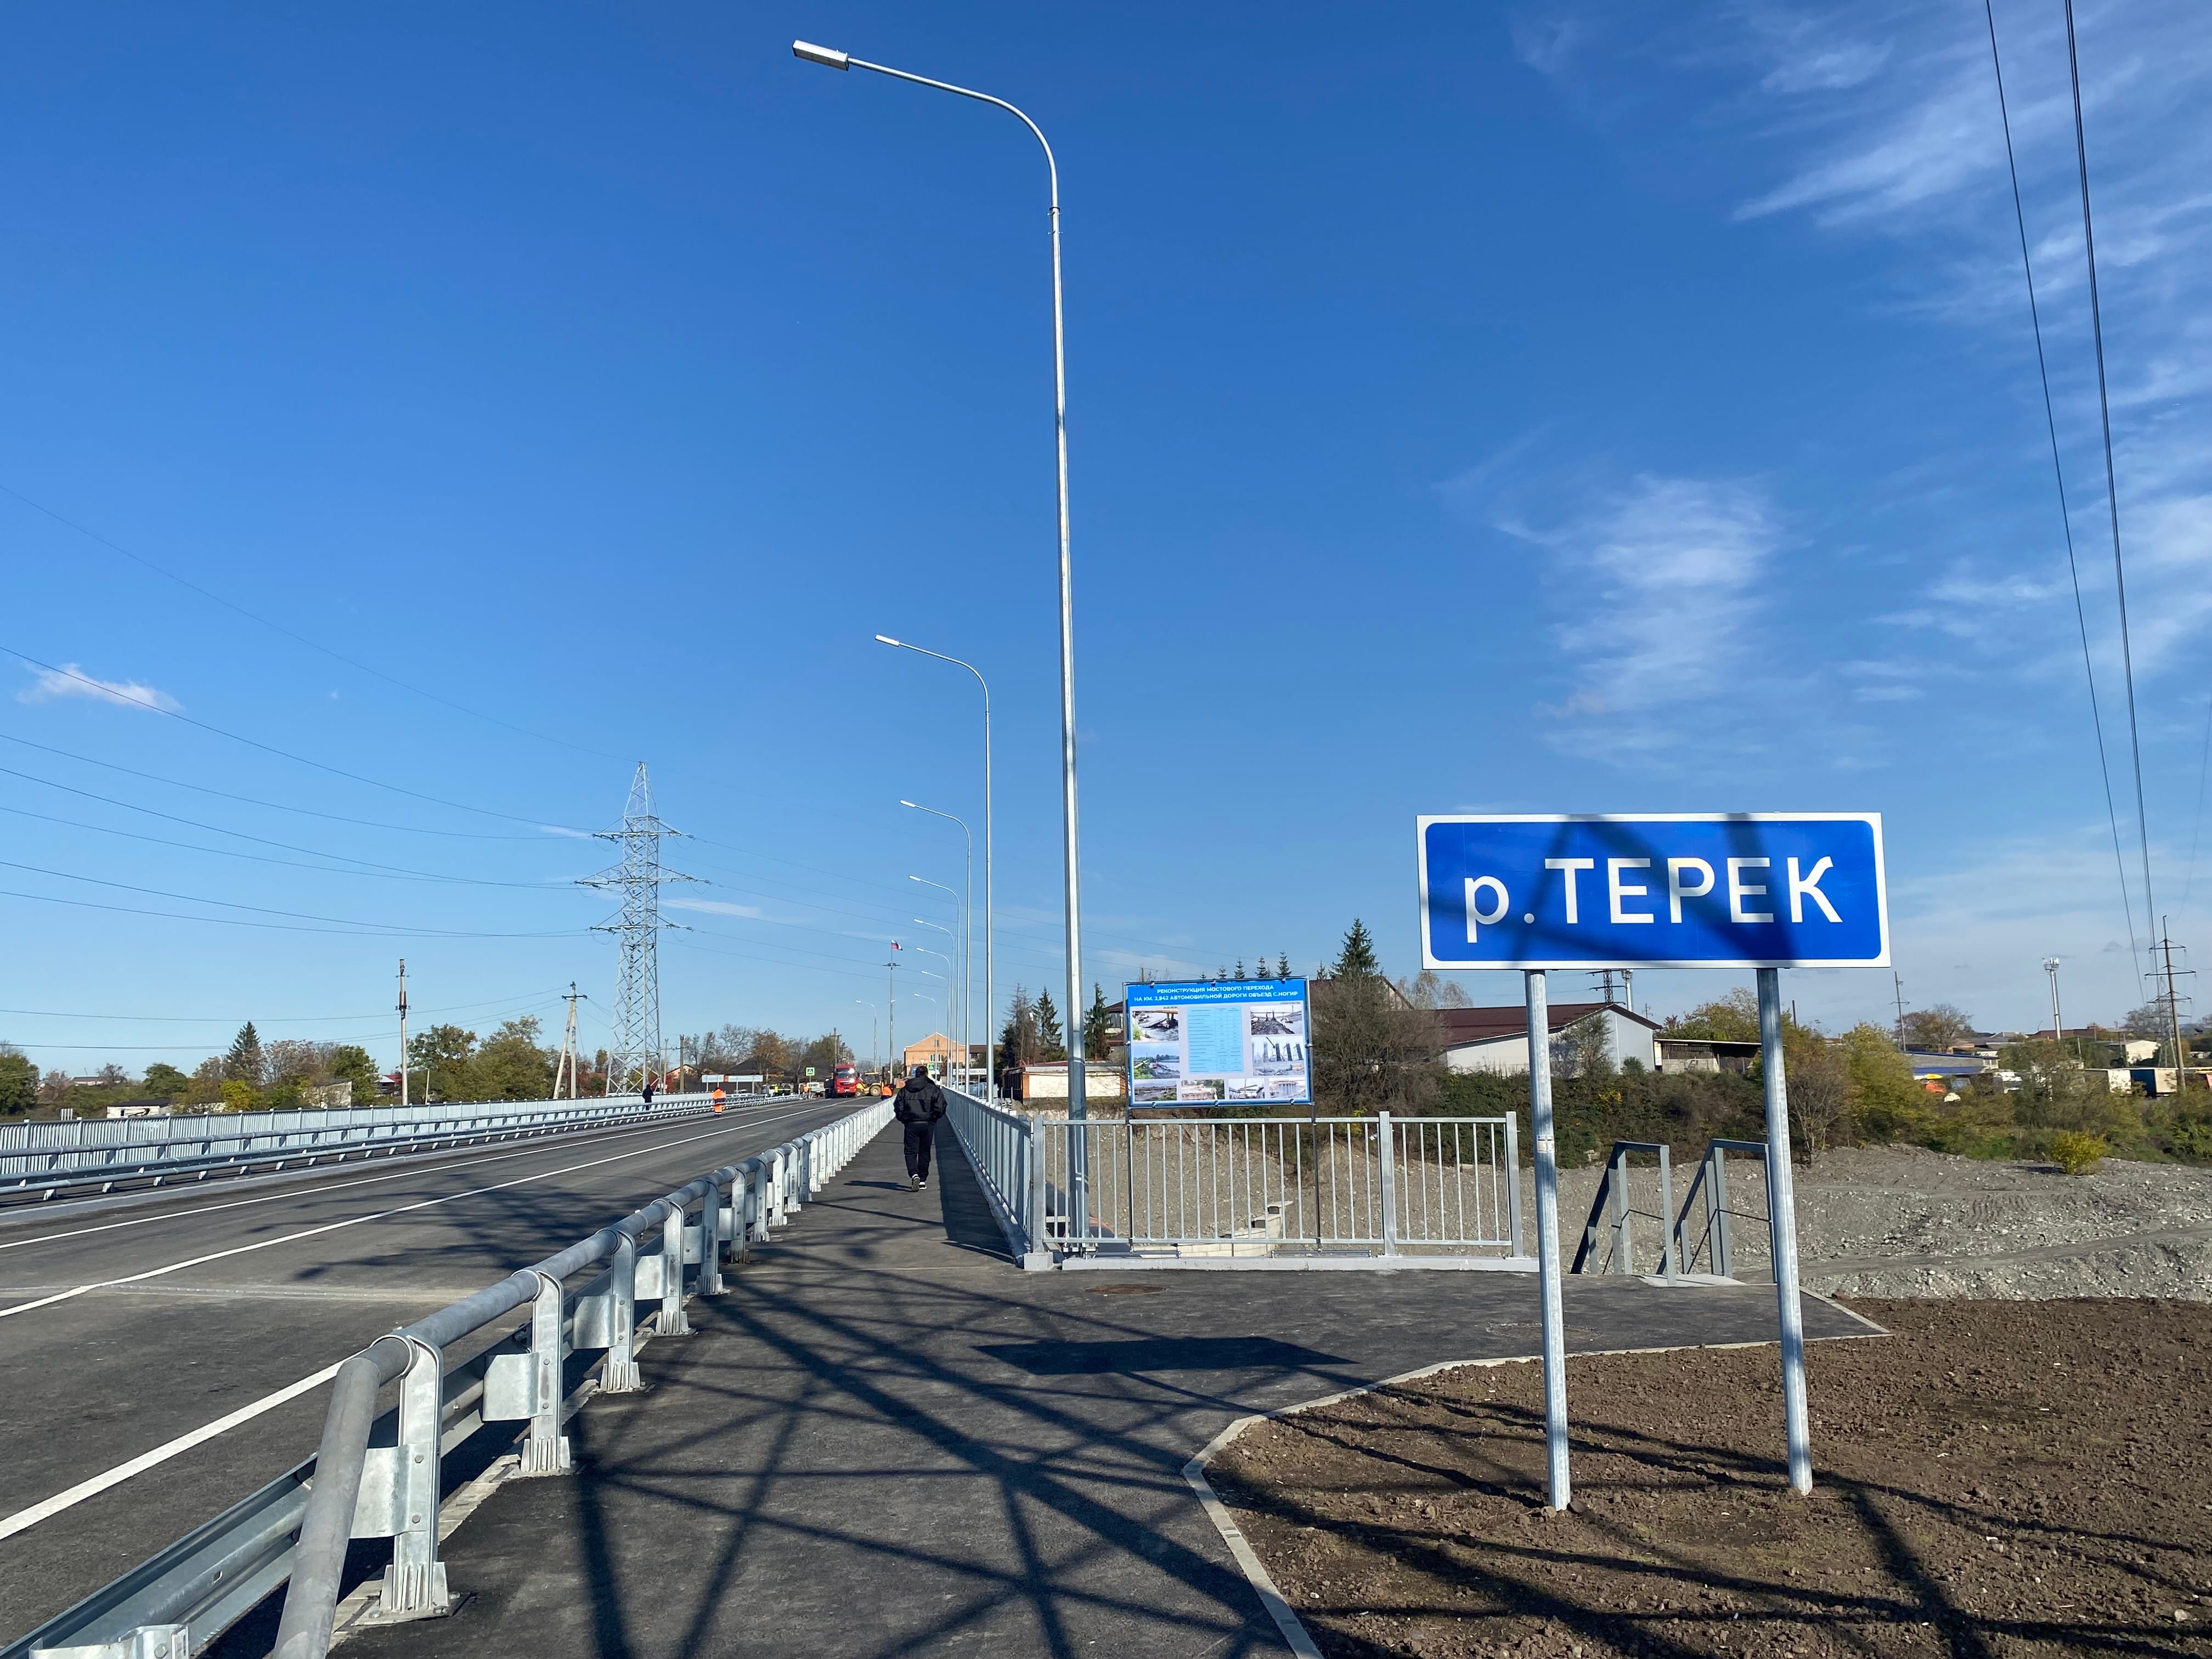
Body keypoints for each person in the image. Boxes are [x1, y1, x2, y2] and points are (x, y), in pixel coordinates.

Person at [893, 1065, 946, 1190]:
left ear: (916, 1074)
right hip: (928, 1123)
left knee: (910, 1151)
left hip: (911, 1123)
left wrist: (904, 1118)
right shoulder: (933, 1089)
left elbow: (898, 1106)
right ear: (927, 1075)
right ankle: (922, 1180)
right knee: (925, 1151)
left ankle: (914, 1174)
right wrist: (934, 1117)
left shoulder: (906, 1090)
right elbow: (941, 1106)